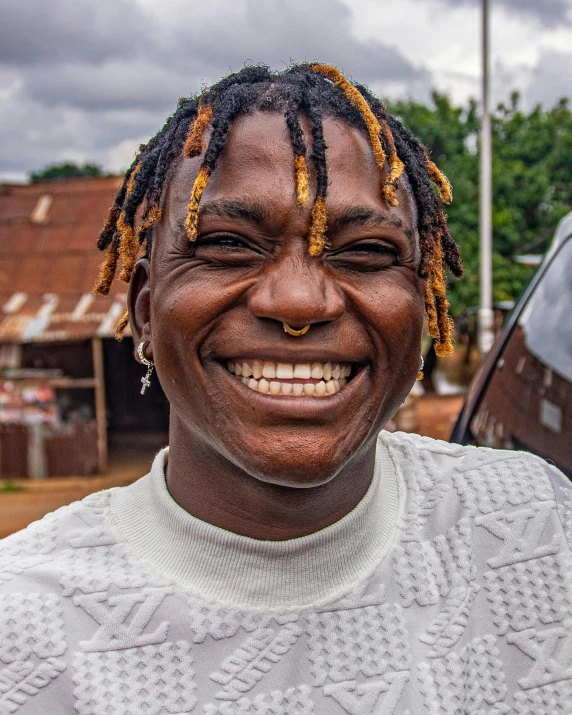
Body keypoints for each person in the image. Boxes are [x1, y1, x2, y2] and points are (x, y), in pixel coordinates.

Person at [1, 63, 571, 715]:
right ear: (145, 312)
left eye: (365, 253)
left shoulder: (536, 527)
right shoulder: (22, 634)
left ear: (424, 302)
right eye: (226, 244)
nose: (299, 301)